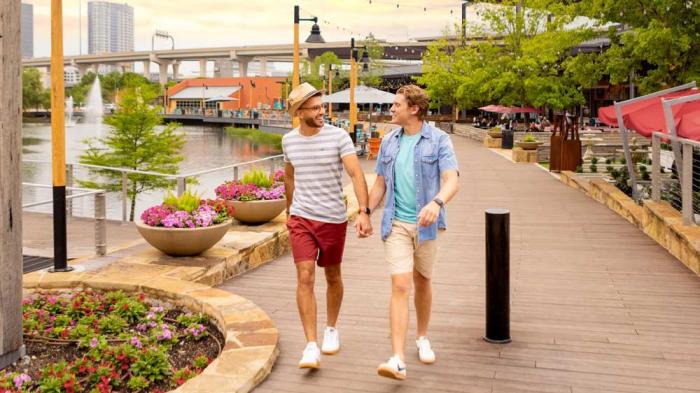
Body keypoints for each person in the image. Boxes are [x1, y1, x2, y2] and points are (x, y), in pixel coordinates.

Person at [367, 85, 460, 380]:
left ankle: (422, 336)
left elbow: (451, 179)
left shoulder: (439, 140)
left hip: (427, 224)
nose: (391, 110)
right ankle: (397, 358)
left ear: (414, 109)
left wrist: (437, 201)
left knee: (423, 280)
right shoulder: (389, 142)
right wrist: (365, 212)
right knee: (400, 285)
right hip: (395, 223)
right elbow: (380, 184)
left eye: (396, 105)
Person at [282, 82, 373, 369]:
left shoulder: (338, 137)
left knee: (332, 276)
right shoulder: (289, 141)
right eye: (316, 108)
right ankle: (310, 345)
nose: (322, 112)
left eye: (323, 106)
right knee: (305, 275)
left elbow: (357, 174)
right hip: (301, 218)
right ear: (300, 112)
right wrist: (289, 210)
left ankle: (331, 328)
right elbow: (289, 177)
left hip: (332, 218)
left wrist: (364, 211)